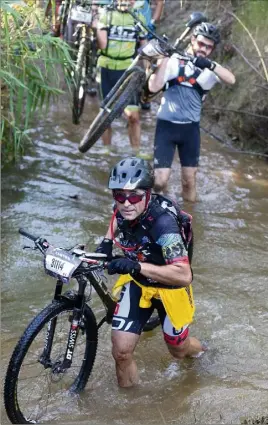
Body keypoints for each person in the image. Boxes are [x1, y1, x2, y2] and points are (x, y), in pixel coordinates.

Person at [95, 156, 204, 388]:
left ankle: (202, 352)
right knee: (121, 353)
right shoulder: (124, 207)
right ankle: (131, 409)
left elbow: (184, 274)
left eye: (134, 196)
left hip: (170, 288)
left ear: (147, 194)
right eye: (119, 195)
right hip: (139, 283)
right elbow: (117, 216)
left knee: (178, 350)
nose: (126, 203)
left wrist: (137, 266)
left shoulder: (164, 225)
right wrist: (106, 241)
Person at [147, 22, 236, 202]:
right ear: (192, 40)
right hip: (166, 127)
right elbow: (153, 86)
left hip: (190, 131)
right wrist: (163, 59)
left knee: (189, 182)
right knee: (159, 182)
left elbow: (232, 80)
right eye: (201, 44)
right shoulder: (173, 61)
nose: (204, 49)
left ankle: (189, 222)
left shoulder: (211, 70)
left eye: (209, 47)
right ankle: (156, 211)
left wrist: (209, 65)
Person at [95, 0, 148, 153]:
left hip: (128, 70)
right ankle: (107, 150)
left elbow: (145, 47)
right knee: (106, 116)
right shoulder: (107, 15)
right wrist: (97, 26)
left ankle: (136, 152)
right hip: (106, 68)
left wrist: (147, 73)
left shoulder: (139, 19)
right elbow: (103, 45)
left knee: (134, 116)